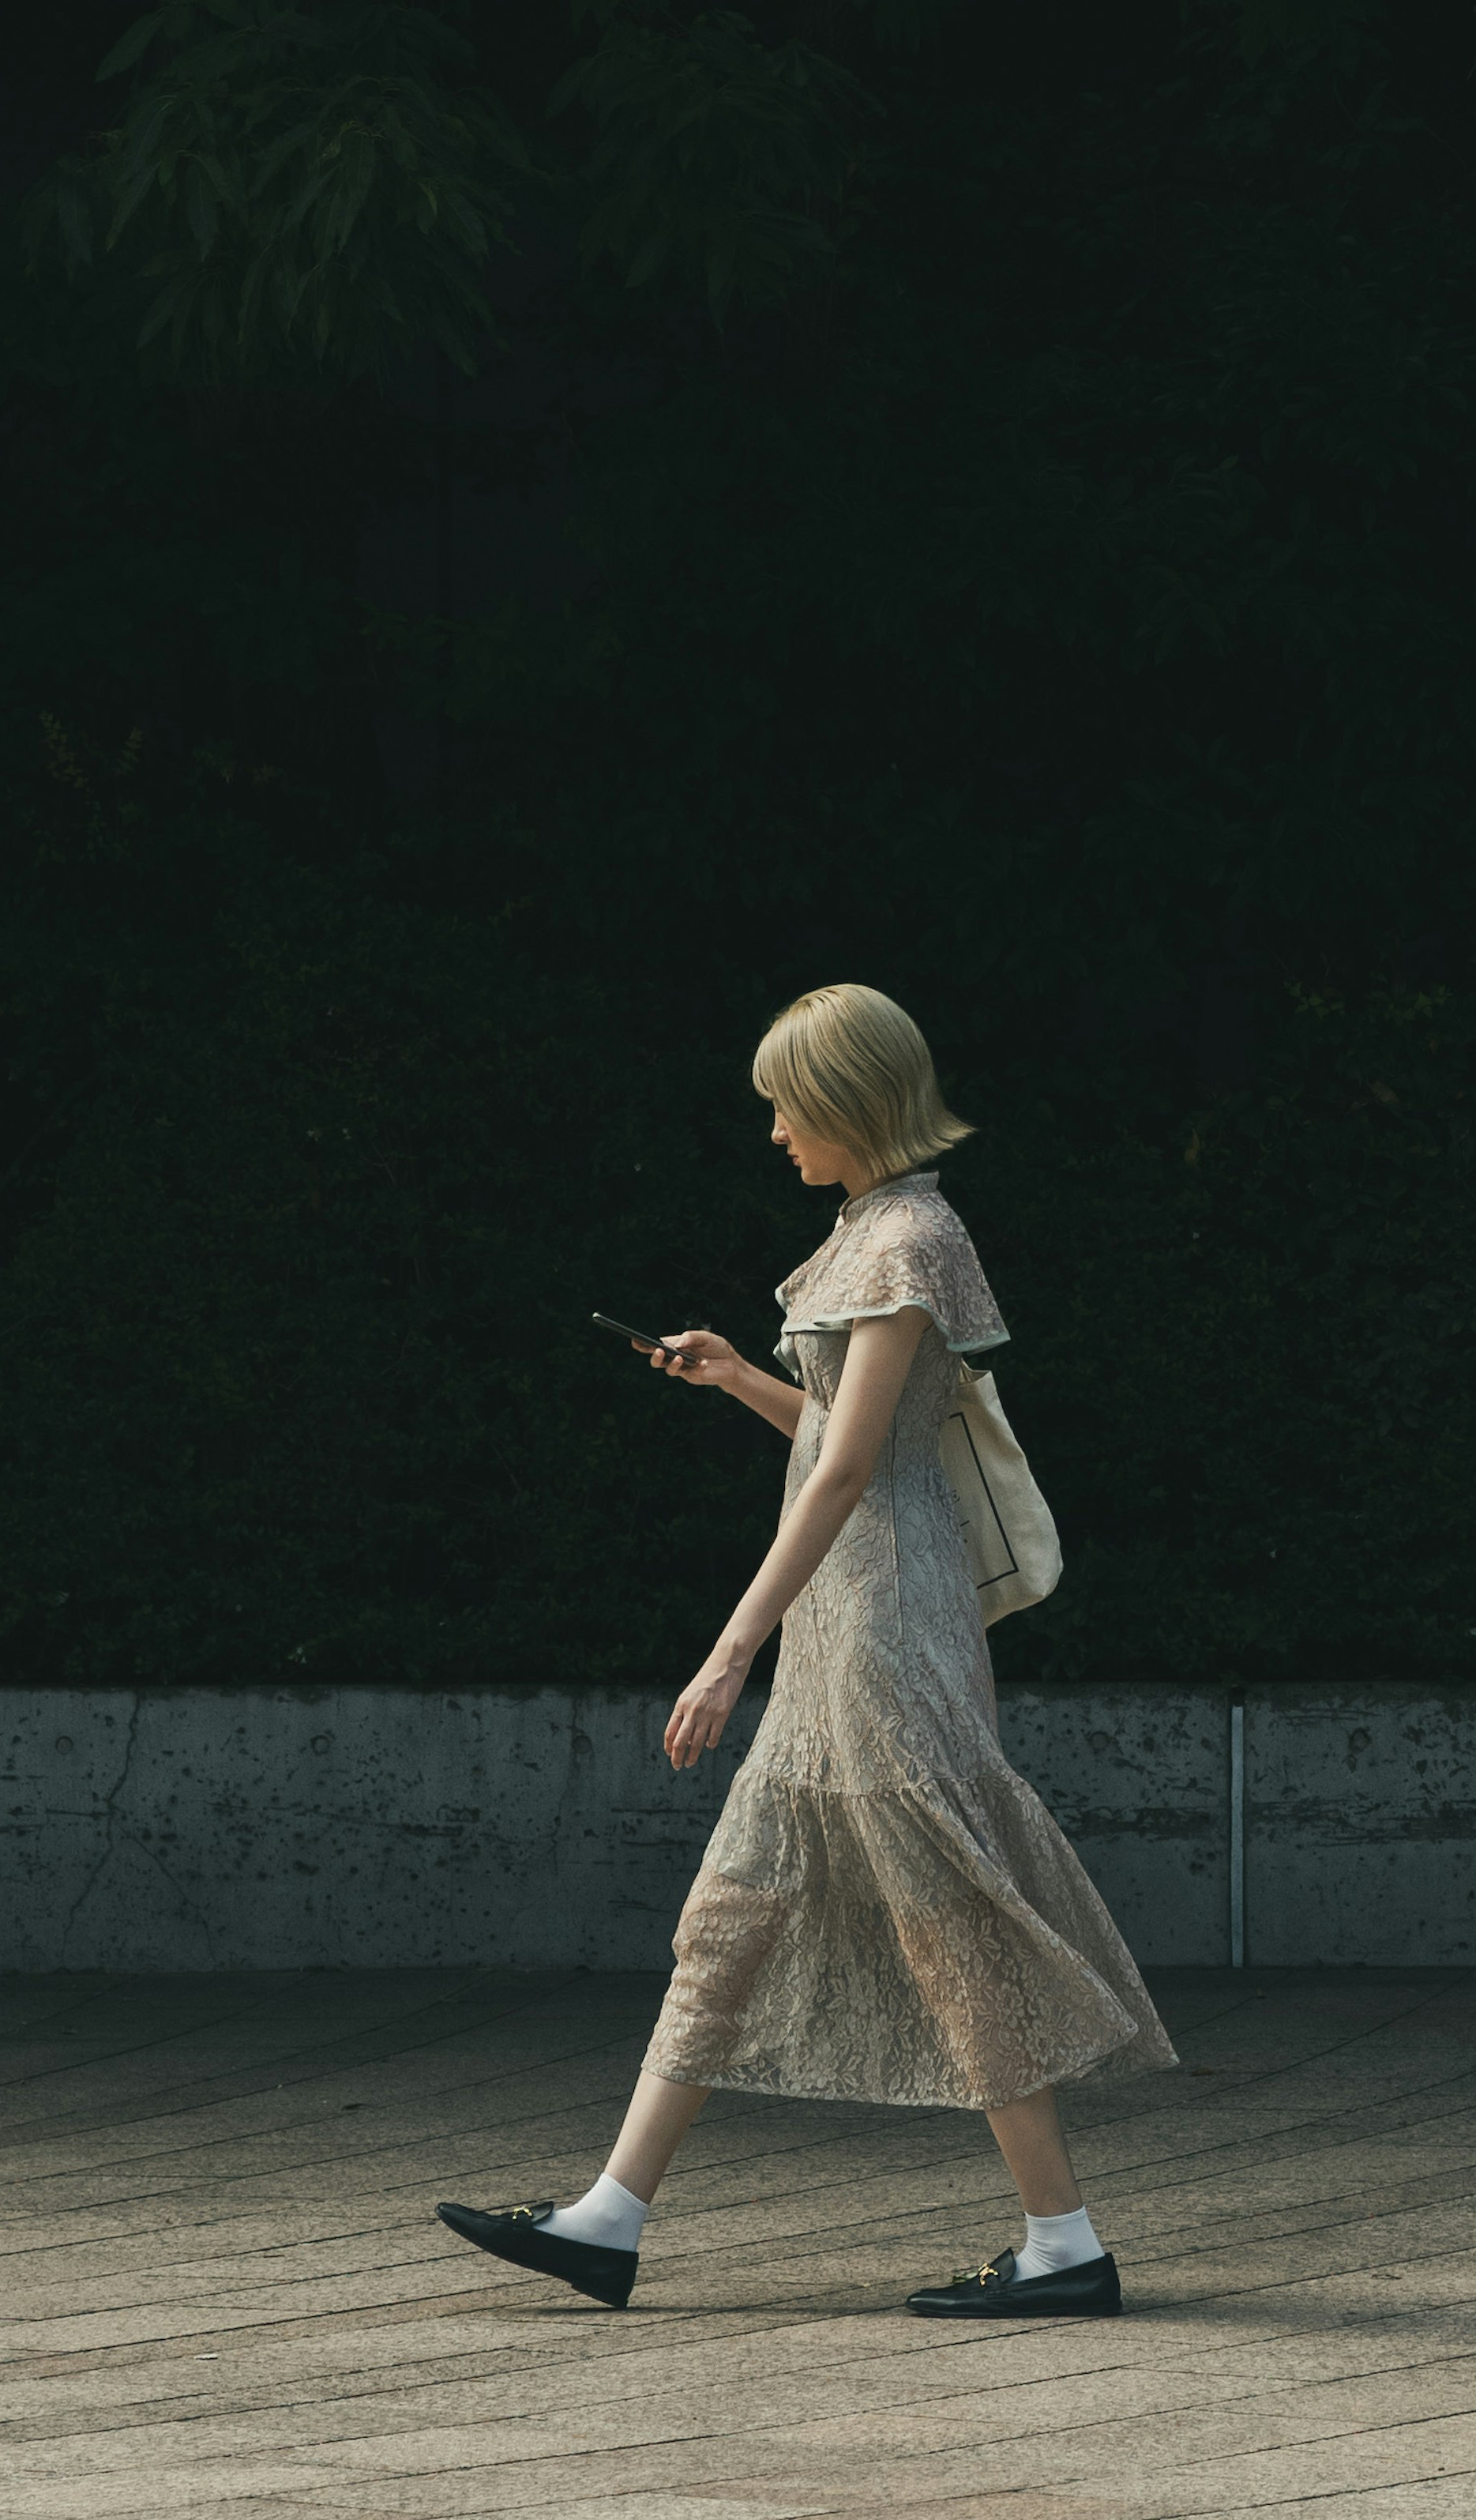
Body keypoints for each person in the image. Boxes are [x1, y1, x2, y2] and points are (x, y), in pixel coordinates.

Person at [435, 979, 1174, 2317]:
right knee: (735, 1912)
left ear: (845, 1102)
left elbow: (847, 1482)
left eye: (787, 1105)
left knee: (950, 1926)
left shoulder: (911, 1239)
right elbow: (853, 1440)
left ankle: (1065, 2244)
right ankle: (610, 2217)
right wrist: (737, 1380)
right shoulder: (869, 1232)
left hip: (885, 1625)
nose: (774, 1130)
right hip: (849, 1618)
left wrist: (727, 1652)